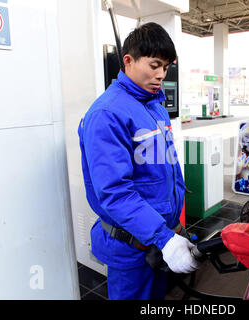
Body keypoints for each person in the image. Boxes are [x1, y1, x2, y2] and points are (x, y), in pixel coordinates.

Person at [78, 22, 200, 300]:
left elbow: (162, 170)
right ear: (128, 61)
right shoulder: (108, 114)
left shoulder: (153, 105)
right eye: (154, 65)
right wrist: (165, 237)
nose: (161, 75)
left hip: (159, 238)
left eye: (166, 67)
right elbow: (115, 193)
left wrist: (173, 229)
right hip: (132, 248)